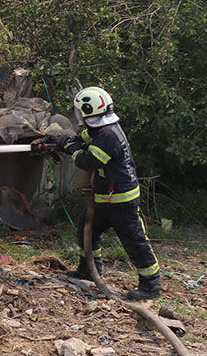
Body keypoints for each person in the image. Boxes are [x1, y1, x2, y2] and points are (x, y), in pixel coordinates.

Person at [34, 86, 161, 300]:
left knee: (134, 240)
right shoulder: (101, 129)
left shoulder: (108, 135)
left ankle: (151, 286)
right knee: (87, 230)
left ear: (88, 110)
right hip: (106, 197)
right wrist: (60, 141)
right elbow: (84, 136)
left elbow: (88, 161)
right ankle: (88, 271)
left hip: (121, 199)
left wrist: (71, 148)